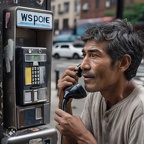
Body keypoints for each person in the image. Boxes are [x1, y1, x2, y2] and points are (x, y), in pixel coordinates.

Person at [54, 19, 144, 144]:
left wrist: (83, 136)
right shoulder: (96, 96)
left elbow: (82, 138)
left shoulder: (140, 110)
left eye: (94, 55)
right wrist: (65, 103)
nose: (83, 65)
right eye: (84, 55)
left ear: (123, 63)